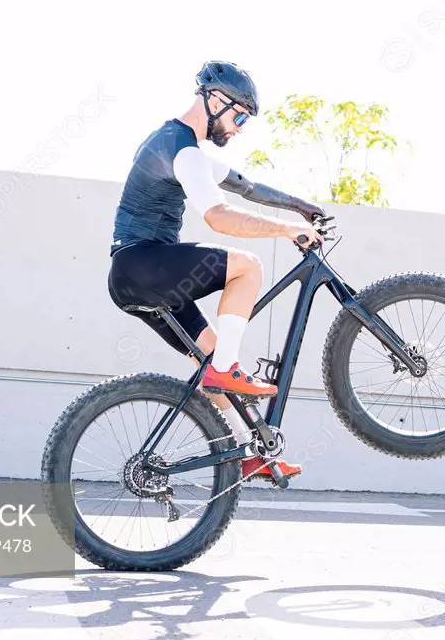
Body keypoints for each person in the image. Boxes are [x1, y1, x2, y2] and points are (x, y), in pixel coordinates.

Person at [107, 60, 326, 484]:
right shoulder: (184, 150)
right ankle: (225, 370)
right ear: (214, 100)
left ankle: (250, 452)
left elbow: (246, 186)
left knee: (213, 365)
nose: (240, 128)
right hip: (145, 263)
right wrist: (288, 231)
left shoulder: (175, 143)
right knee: (248, 268)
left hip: (136, 277)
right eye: (240, 116)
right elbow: (219, 217)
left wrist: (299, 206)